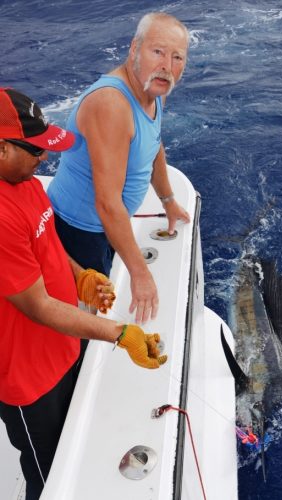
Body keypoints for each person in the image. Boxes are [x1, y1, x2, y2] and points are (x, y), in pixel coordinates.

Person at [0, 87, 166, 500]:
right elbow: (36, 306)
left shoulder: (25, 182)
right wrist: (120, 334)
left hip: (61, 350)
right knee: (51, 475)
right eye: (35, 150)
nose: (45, 159)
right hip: (27, 379)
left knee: (76, 438)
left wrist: (80, 275)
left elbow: (48, 242)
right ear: (1, 148)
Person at [47, 12, 191, 325]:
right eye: (158, 52)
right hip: (80, 232)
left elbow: (153, 145)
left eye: (177, 56)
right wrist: (140, 275)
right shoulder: (111, 104)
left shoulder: (153, 90)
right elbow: (107, 203)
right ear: (134, 48)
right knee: (85, 315)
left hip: (105, 228)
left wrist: (167, 200)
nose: (167, 64)